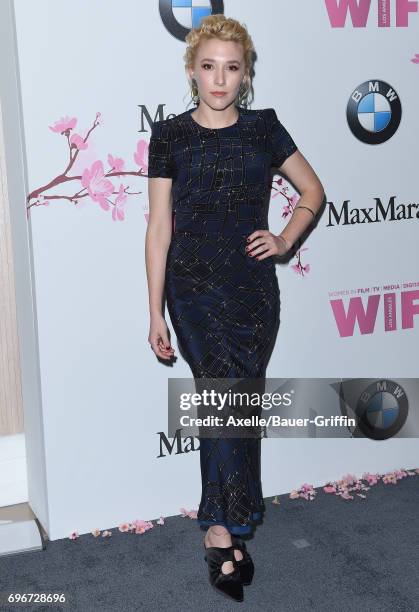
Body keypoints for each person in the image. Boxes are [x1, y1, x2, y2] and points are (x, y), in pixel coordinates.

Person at [145, 14, 324, 603]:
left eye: (231, 67)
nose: (219, 79)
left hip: (251, 289)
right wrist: (156, 313)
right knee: (220, 390)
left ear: (245, 75)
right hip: (192, 290)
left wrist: (285, 239)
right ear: (191, 70)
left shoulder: (265, 128)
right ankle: (224, 528)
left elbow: (312, 192)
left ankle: (227, 524)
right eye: (208, 66)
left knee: (236, 399)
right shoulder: (169, 135)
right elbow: (158, 230)